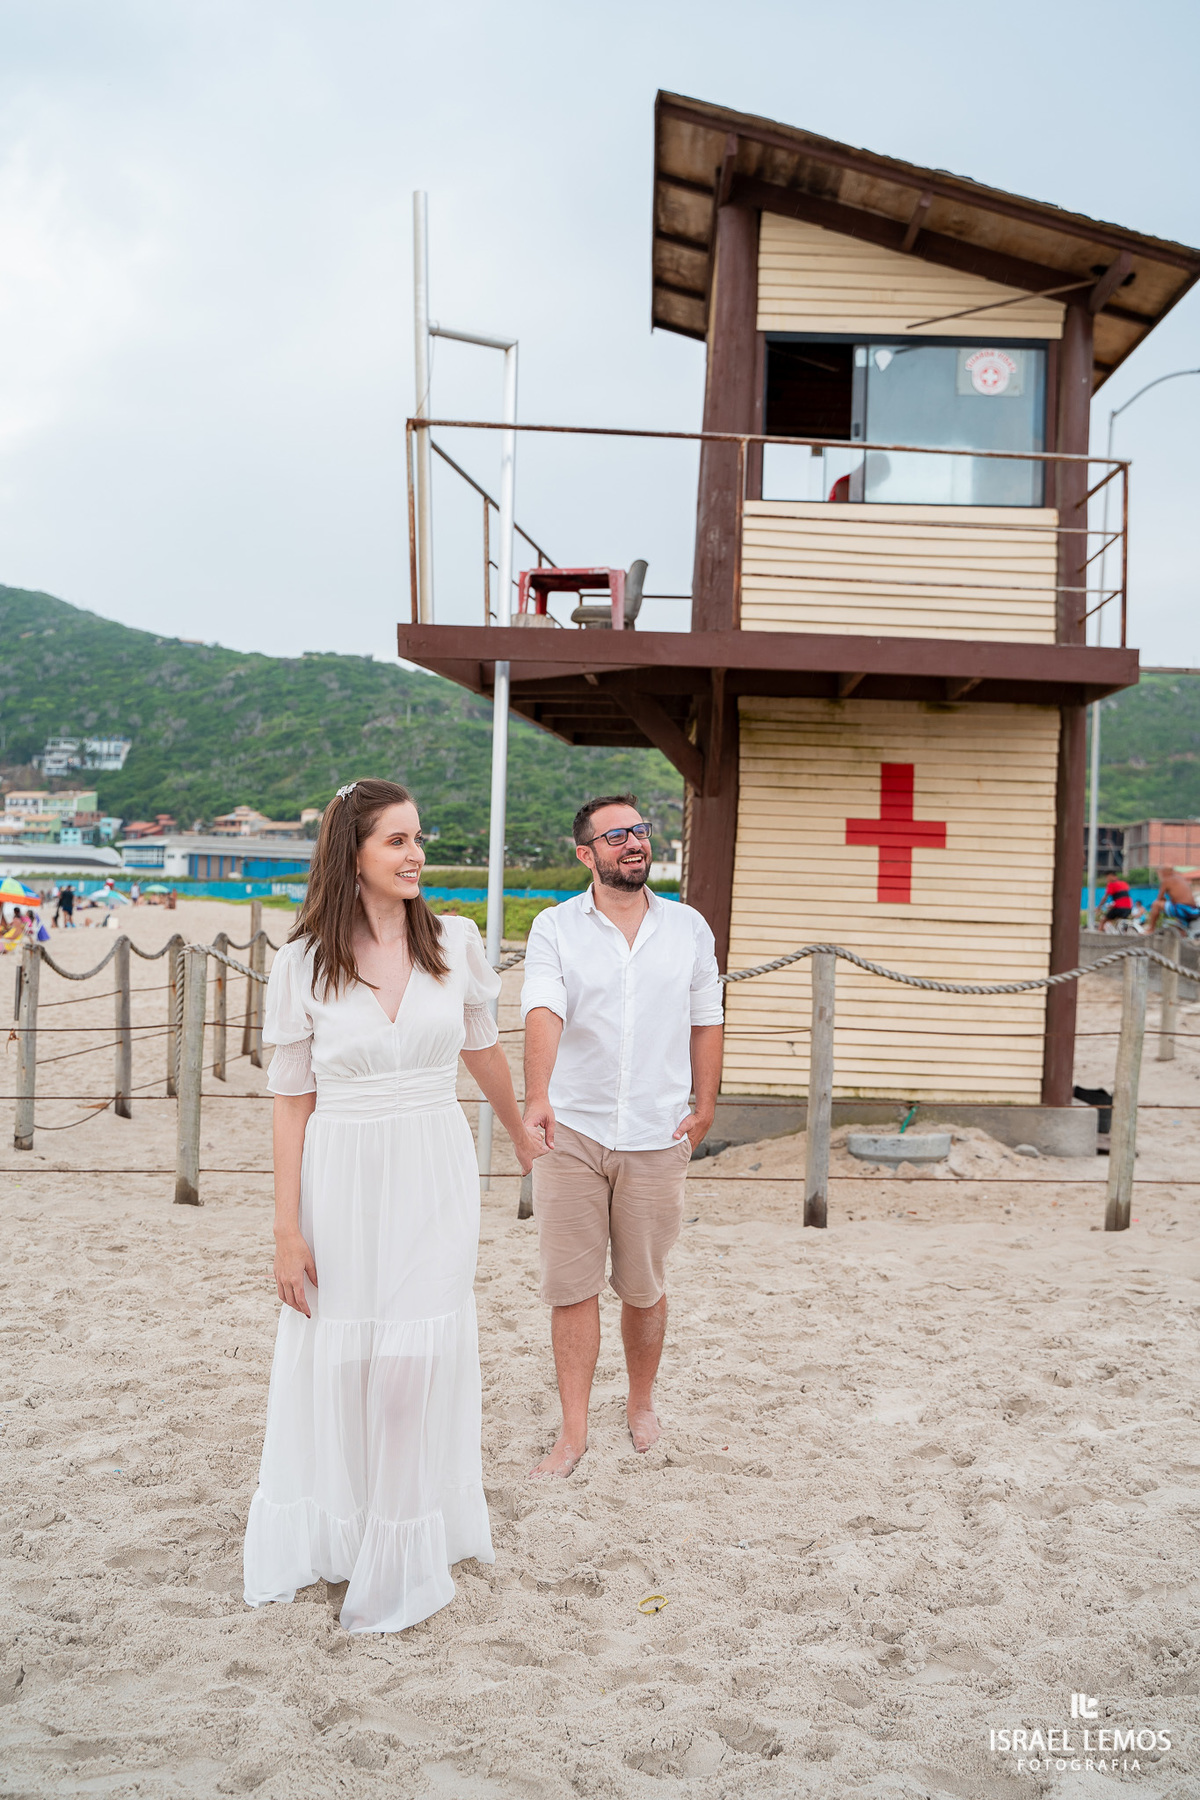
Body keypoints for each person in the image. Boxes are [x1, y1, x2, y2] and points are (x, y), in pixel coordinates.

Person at [243, 778, 546, 1635]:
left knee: (412, 1357)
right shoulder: (301, 960)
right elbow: (291, 1102)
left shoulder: (454, 940)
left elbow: (482, 1049)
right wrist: (286, 1231)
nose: (417, 855)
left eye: (419, 837)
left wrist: (522, 1133)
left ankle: (399, 1548)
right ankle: (344, 1530)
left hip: (433, 1165)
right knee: (348, 1360)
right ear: (354, 856)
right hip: (340, 1172)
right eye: (397, 841)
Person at [521, 794, 724, 1480]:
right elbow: (544, 1007)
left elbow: (707, 1016)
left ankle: (640, 1403)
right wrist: (538, 1095)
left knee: (642, 1285)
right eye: (616, 836)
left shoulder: (689, 928)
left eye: (639, 831)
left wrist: (706, 1104)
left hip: (656, 1133)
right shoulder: (554, 928)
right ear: (587, 854)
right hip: (571, 1132)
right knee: (571, 1288)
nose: (634, 842)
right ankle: (573, 1433)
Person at [1146, 867, 1200, 933]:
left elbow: (1159, 898)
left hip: (1182, 909)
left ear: (1164, 872)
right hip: (1193, 910)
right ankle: (1182, 932)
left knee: (1156, 904)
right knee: (1179, 926)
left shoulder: (1167, 880)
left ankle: (1151, 929)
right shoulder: (1181, 878)